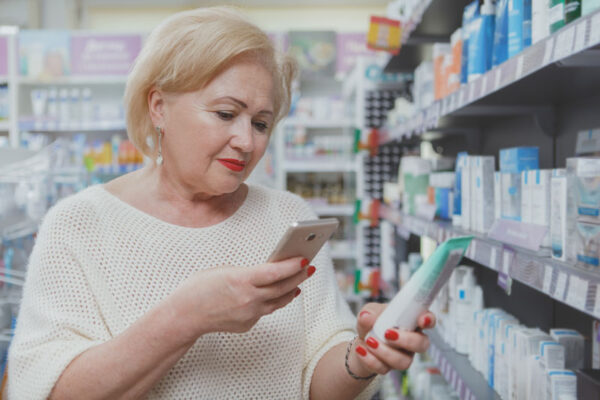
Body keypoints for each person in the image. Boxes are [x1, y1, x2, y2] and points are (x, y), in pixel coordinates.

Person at [7, 7, 435, 399]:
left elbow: (318, 381)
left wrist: (361, 358)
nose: (247, 142)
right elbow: (46, 391)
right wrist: (187, 315)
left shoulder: (289, 217)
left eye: (262, 123)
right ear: (158, 107)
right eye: (226, 114)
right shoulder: (78, 225)